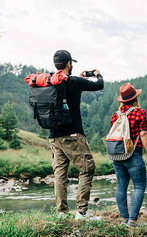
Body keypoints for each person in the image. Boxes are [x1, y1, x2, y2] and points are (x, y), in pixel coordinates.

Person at [49, 50, 104, 220]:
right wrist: (98, 74)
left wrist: (80, 79)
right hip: (72, 135)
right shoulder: (74, 82)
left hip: (54, 136)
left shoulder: (50, 82)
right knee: (88, 168)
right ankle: (82, 212)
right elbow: (99, 85)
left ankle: (62, 213)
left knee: (60, 173)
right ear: (68, 64)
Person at [110, 83, 147, 227]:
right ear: (135, 97)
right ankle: (133, 220)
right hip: (133, 154)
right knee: (139, 186)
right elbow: (143, 134)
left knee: (121, 186)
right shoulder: (139, 112)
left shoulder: (116, 115)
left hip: (117, 155)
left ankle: (124, 219)